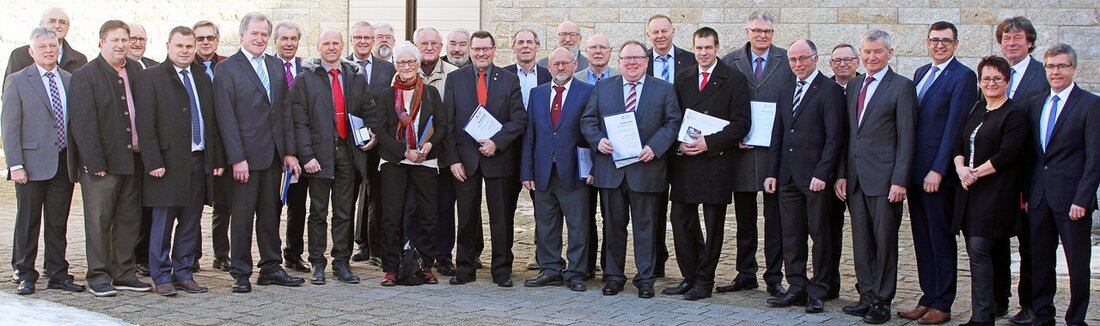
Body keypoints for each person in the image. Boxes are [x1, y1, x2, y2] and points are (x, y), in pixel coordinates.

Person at [580, 40, 681, 299]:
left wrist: (655, 147)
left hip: (646, 169)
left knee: (646, 228)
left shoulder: (664, 89)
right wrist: (598, 140)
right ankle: (613, 276)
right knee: (613, 226)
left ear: (646, 61)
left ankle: (645, 279)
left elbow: (672, 122)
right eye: (627, 59)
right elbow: (588, 120)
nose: (632, 62)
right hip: (612, 170)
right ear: (620, 62)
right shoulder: (603, 88)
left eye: (637, 58)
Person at [213, 12, 304, 293]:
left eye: (264, 34)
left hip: (273, 156)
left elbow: (284, 111)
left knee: (270, 214)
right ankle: (241, 272)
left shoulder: (275, 66)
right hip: (245, 158)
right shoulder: (227, 69)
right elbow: (225, 117)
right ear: (242, 35)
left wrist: (288, 152)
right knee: (242, 216)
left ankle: (271, 267)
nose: (260, 38)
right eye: (255, 33)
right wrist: (236, 158)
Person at [898, 21, 978, 325]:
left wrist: (938, 170)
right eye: (935, 40)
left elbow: (955, 126)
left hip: (937, 176)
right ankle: (928, 296)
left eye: (946, 40)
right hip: (915, 173)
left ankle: (943, 302)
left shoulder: (963, 76)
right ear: (927, 42)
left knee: (940, 237)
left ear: (956, 44)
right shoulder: (921, 73)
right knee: (921, 237)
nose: (939, 45)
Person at [835, 29, 916, 324]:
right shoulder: (855, 85)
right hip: (856, 178)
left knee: (884, 242)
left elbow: (907, 137)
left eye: (877, 52)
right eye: (867, 52)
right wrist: (842, 174)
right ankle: (866, 295)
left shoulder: (902, 87)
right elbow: (849, 135)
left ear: (889, 53)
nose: (871, 57)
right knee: (861, 241)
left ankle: (882, 300)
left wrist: (900, 180)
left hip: (885, 180)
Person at [134, 26, 221, 297]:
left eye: (188, 46)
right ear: (168, 46)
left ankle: (183, 272)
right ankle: (161, 275)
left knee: (190, 221)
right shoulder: (151, 78)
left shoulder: (202, 76)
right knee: (162, 222)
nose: (184, 51)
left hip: (198, 160)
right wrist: (153, 161)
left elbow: (211, 120)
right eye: (179, 46)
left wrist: (216, 158)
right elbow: (145, 124)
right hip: (166, 163)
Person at [666, 27, 751, 301]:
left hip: (716, 161)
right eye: (699, 48)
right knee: (681, 221)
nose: (703, 53)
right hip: (686, 161)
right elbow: (674, 116)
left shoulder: (734, 79)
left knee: (714, 226)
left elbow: (741, 123)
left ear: (717, 48)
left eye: (708, 48)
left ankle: (705, 280)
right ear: (693, 49)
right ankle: (690, 276)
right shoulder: (683, 78)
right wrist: (678, 143)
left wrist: (709, 143)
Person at [69, 20, 152, 297]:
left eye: (124, 40)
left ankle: (124, 272)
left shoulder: (136, 72)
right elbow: (83, 123)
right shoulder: (86, 75)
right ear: (102, 42)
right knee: (100, 220)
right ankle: (98, 275)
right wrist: (94, 163)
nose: (121, 45)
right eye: (114, 40)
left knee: (129, 219)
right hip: (102, 164)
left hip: (133, 160)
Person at [763, 39, 846, 313]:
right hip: (787, 177)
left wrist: (823, 173)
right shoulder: (786, 91)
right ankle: (796, 286)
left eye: (803, 58)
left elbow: (835, 138)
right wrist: (772, 172)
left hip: (815, 179)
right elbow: (778, 134)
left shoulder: (830, 90)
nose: (798, 64)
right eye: (793, 60)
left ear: (815, 58)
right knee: (792, 235)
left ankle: (819, 289)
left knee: (820, 236)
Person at [2, 27, 84, 295]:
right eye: (43, 47)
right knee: (28, 222)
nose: (49, 50)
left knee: (58, 223)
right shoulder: (18, 80)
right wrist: (15, 165)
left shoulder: (70, 79)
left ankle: (58, 273)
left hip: (63, 162)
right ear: (31, 51)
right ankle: (25, 273)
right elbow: (9, 127)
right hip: (30, 164)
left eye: (53, 46)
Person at [291, 29, 376, 286]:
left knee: (344, 212)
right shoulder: (305, 79)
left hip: (348, 154)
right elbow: (299, 122)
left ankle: (341, 262)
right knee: (318, 212)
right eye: (326, 43)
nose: (331, 47)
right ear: (318, 47)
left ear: (342, 46)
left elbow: (368, 110)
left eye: (335, 43)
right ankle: (317, 262)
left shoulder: (355, 77)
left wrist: (371, 134)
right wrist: (307, 156)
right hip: (318, 156)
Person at [716, 11, 792, 297]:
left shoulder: (787, 60)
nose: (762, 35)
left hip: (775, 153)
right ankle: (745, 272)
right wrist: (731, 136)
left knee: (775, 220)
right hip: (742, 153)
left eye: (767, 31)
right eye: (757, 30)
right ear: (747, 31)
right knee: (745, 220)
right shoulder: (729, 61)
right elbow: (721, 104)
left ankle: (774, 276)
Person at [442, 30, 527, 287]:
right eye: (476, 49)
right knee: (466, 216)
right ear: (470, 50)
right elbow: (448, 123)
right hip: (465, 160)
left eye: (486, 49)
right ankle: (465, 267)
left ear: (494, 50)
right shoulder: (455, 79)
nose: (481, 53)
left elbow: (519, 119)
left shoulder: (509, 80)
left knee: (501, 217)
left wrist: (497, 142)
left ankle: (501, 269)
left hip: (498, 158)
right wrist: (453, 160)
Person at [951, 55, 1030, 326]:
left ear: (1007, 81)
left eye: (997, 78)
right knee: (992, 249)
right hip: (969, 191)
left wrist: (975, 173)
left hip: (998, 192)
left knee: (979, 248)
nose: (991, 83)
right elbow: (959, 145)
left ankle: (982, 316)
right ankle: (997, 302)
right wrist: (961, 168)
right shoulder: (976, 108)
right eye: (986, 78)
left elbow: (1009, 153)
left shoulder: (1015, 113)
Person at [1025, 43, 1098, 326]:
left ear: (1073, 68)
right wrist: (1027, 193)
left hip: (1072, 200)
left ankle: (1076, 318)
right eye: (1051, 66)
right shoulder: (1036, 103)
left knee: (1077, 263)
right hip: (1039, 197)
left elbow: (1094, 159)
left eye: (1062, 66)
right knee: (1040, 260)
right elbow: (1033, 155)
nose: (1056, 72)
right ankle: (1043, 314)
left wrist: (1083, 199)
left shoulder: (1090, 105)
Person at [370, 41, 448, 286]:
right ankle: (390, 268)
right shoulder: (387, 95)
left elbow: (442, 125)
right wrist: (404, 152)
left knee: (428, 214)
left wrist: (429, 145)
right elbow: (380, 130)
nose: (406, 66)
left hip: (424, 160)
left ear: (418, 64)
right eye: (401, 62)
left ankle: (425, 265)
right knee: (391, 215)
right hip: (395, 160)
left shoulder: (431, 93)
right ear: (395, 65)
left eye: (411, 61)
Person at [520, 47, 595, 291]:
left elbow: (593, 131)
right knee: (546, 224)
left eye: (565, 63)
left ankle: (575, 272)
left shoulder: (588, 92)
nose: (560, 67)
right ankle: (550, 268)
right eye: (556, 63)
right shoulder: (538, 93)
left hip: (574, 170)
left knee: (578, 225)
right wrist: (526, 171)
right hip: (543, 171)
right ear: (549, 67)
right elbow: (530, 134)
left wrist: (593, 168)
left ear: (575, 65)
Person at [995, 16, 1048, 325]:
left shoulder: (1043, 75)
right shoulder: (995, 75)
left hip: (1030, 175)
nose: (1011, 43)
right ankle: (997, 299)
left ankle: (1031, 305)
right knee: (996, 239)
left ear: (1029, 42)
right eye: (1006, 38)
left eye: (1018, 38)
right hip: (996, 174)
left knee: (1031, 245)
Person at [642, 14, 694, 278]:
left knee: (685, 209)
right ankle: (656, 262)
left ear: (674, 31)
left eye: (664, 31)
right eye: (655, 32)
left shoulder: (690, 59)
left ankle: (692, 266)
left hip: (685, 146)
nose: (660, 36)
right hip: (653, 146)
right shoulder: (641, 61)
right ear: (648, 35)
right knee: (654, 207)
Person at [346, 20, 396, 266]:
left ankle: (375, 248)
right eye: (358, 37)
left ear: (373, 40)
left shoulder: (388, 70)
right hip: (347, 144)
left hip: (378, 143)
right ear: (351, 40)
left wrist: (377, 133)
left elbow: (390, 106)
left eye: (367, 37)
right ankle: (347, 250)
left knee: (377, 196)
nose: (363, 41)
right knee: (347, 197)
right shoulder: (341, 66)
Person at [411, 26, 459, 276]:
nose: (429, 48)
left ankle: (443, 256)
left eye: (434, 44)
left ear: (441, 47)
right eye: (424, 43)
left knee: (444, 206)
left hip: (444, 153)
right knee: (415, 207)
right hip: (414, 156)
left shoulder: (455, 75)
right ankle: (414, 255)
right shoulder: (406, 70)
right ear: (415, 46)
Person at [272, 20, 311, 274]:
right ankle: (271, 257)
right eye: (284, 39)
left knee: (298, 205)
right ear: (275, 41)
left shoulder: (306, 69)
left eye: (293, 39)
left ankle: (293, 254)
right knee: (272, 205)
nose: (289, 43)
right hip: (274, 149)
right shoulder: (267, 67)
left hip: (301, 149)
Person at [192, 19, 230, 272]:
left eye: (210, 38)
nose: (206, 42)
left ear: (217, 40)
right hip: (197, 145)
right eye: (200, 38)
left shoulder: (227, 65)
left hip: (224, 145)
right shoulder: (185, 65)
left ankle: (221, 254)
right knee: (192, 205)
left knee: (223, 204)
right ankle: (192, 255)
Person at [823, 42, 861, 300]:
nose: (842, 64)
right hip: (829, 173)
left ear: (857, 62)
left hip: (860, 172)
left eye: (848, 60)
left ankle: (867, 288)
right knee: (828, 232)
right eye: (837, 60)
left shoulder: (865, 87)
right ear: (830, 64)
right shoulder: (824, 89)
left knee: (863, 233)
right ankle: (828, 283)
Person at [128, 21, 159, 278]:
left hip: (153, 151)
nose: (137, 43)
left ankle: (145, 256)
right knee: (130, 208)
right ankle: (126, 257)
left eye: (142, 39)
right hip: (128, 153)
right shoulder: (118, 69)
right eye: (132, 38)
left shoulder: (154, 67)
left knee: (150, 206)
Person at [4, 8, 87, 87]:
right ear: (41, 25)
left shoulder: (79, 60)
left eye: (62, 22)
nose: (57, 25)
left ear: (68, 27)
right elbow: (10, 89)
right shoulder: (19, 55)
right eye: (52, 21)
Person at [503, 29, 551, 108]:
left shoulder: (549, 76)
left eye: (529, 42)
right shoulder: (503, 75)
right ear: (513, 48)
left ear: (537, 47)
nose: (525, 46)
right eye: (520, 42)